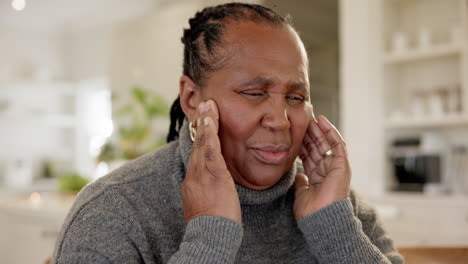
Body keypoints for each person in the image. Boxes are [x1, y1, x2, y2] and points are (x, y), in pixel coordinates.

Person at [52, 3, 404, 263]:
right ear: (192, 99)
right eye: (254, 93)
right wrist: (209, 237)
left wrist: (335, 230)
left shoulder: (339, 206)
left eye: (296, 97)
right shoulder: (113, 213)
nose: (281, 120)